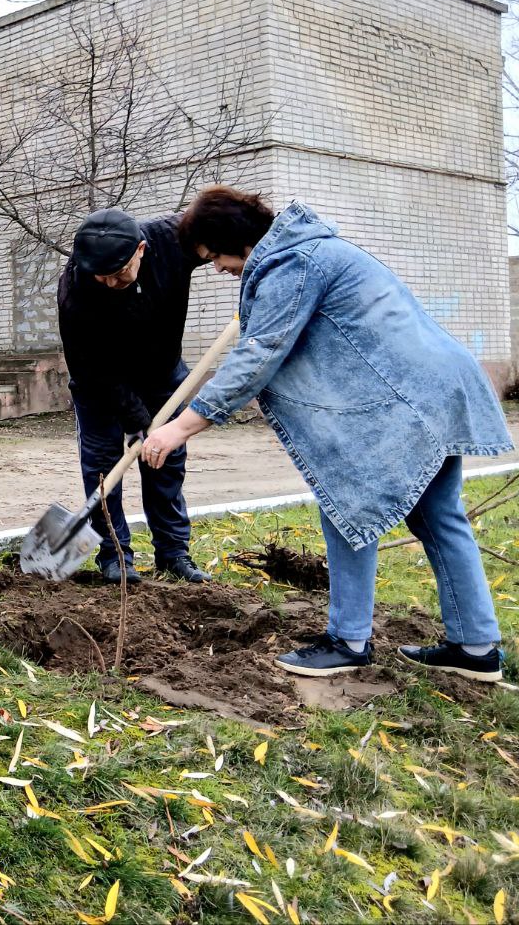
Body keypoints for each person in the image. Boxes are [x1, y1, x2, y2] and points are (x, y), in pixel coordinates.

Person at [142, 185, 511, 681]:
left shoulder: (292, 266)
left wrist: (178, 429)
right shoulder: (317, 249)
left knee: (348, 500)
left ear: (237, 241)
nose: (218, 269)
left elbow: (258, 357)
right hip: (437, 389)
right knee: (439, 517)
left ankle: (348, 640)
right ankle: (475, 647)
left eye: (214, 257)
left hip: (404, 400)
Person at [58, 206, 211, 584]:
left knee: (165, 460)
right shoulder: (76, 291)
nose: (110, 283)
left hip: (162, 376)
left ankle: (174, 553)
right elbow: (92, 371)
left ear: (141, 249)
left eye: (119, 273)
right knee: (102, 467)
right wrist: (139, 422)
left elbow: (224, 230)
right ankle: (116, 556)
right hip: (100, 385)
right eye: (102, 277)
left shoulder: (175, 239)